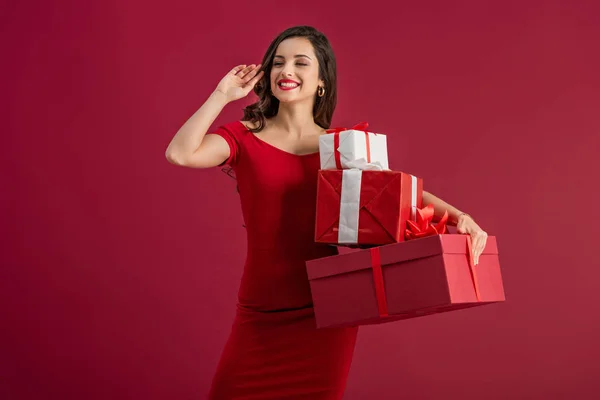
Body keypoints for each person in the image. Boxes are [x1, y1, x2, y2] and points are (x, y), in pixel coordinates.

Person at [165, 25, 488, 400]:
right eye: (278, 63)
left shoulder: (340, 147)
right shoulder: (244, 135)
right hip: (260, 310)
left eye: (301, 63)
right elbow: (180, 153)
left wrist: (458, 216)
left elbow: (396, 193)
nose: (286, 71)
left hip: (325, 312)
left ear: (321, 81)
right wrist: (221, 95)